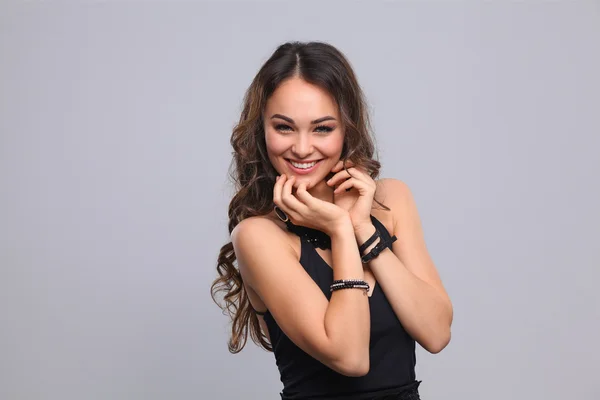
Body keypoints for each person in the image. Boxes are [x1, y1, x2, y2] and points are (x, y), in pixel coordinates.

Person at [211, 41, 453, 400]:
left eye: (322, 128)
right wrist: (340, 230)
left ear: (346, 127)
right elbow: (350, 356)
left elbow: (436, 333)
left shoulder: (391, 200)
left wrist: (363, 229)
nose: (303, 147)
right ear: (261, 130)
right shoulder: (258, 236)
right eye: (284, 127)